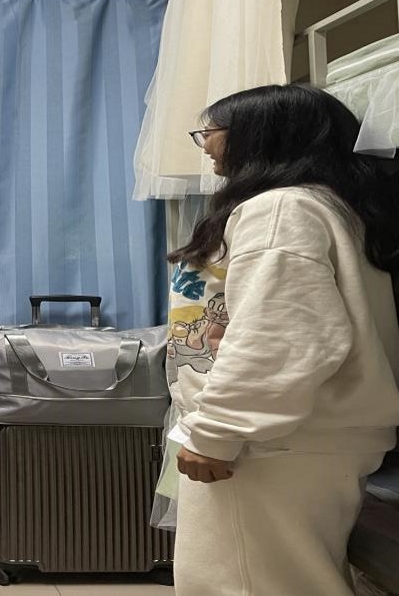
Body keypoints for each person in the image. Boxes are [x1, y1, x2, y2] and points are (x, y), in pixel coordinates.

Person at [166, 84, 399, 595]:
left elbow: (279, 336)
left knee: (244, 584)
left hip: (268, 444)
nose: (205, 146)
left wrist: (217, 432)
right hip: (296, 438)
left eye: (212, 132)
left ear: (259, 133)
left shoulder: (281, 209)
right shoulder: (331, 206)